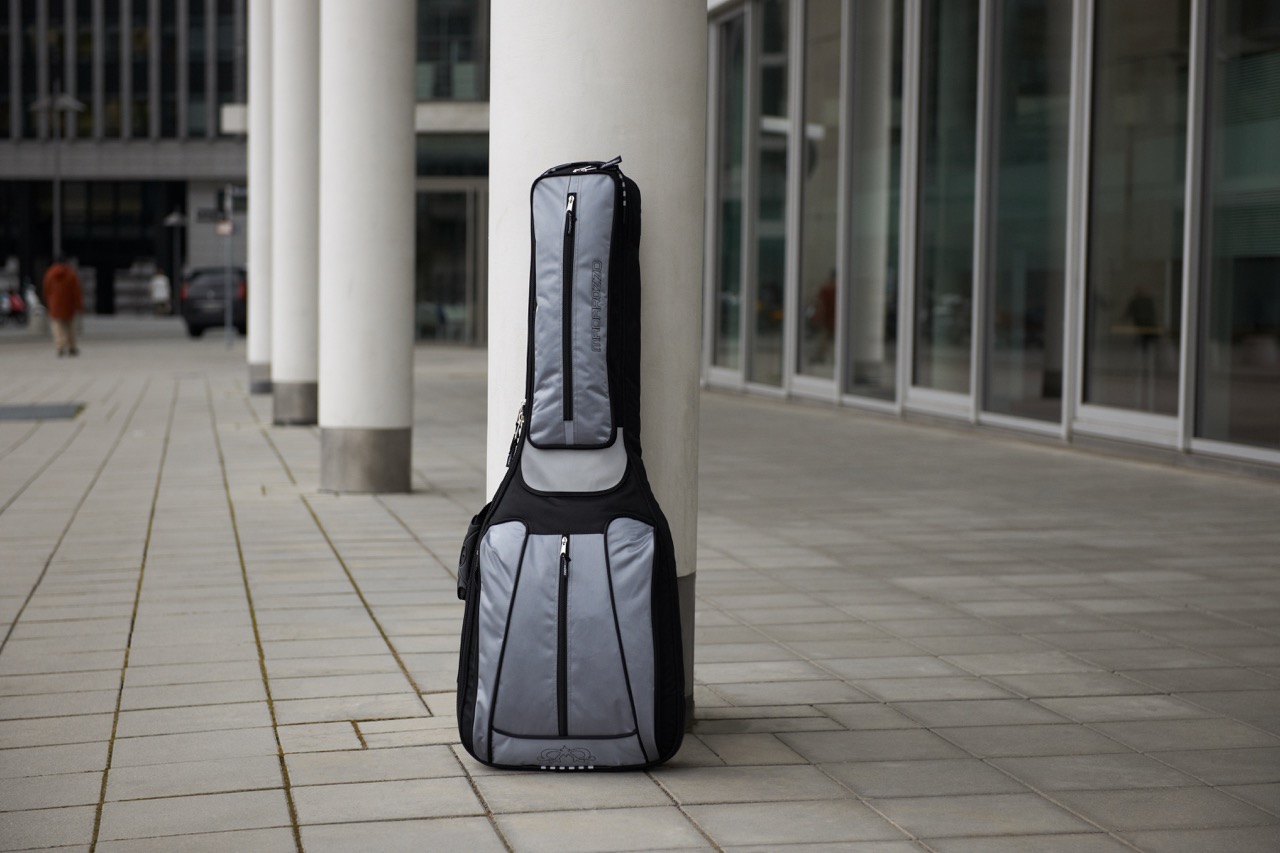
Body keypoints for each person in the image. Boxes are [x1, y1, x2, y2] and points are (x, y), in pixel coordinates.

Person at [43, 257, 84, 357]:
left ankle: (60, 346)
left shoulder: (50, 273)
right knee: (70, 327)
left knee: (57, 326)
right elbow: (76, 291)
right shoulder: (71, 274)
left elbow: (46, 289)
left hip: (55, 303)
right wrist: (79, 305)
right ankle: (72, 346)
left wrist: (48, 302)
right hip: (69, 304)